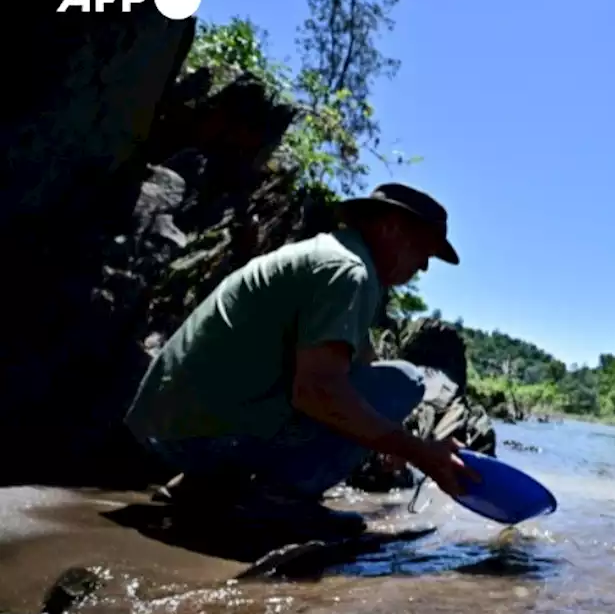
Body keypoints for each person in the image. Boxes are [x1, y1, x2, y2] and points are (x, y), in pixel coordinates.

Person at [124, 182, 480, 538]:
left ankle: (206, 485)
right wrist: (418, 452)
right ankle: (278, 500)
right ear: (391, 228)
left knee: (387, 383)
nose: (424, 268)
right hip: (200, 435)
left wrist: (396, 440)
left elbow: (364, 368)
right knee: (407, 381)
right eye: (424, 251)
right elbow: (318, 392)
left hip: (169, 424)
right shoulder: (347, 272)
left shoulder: (334, 258)